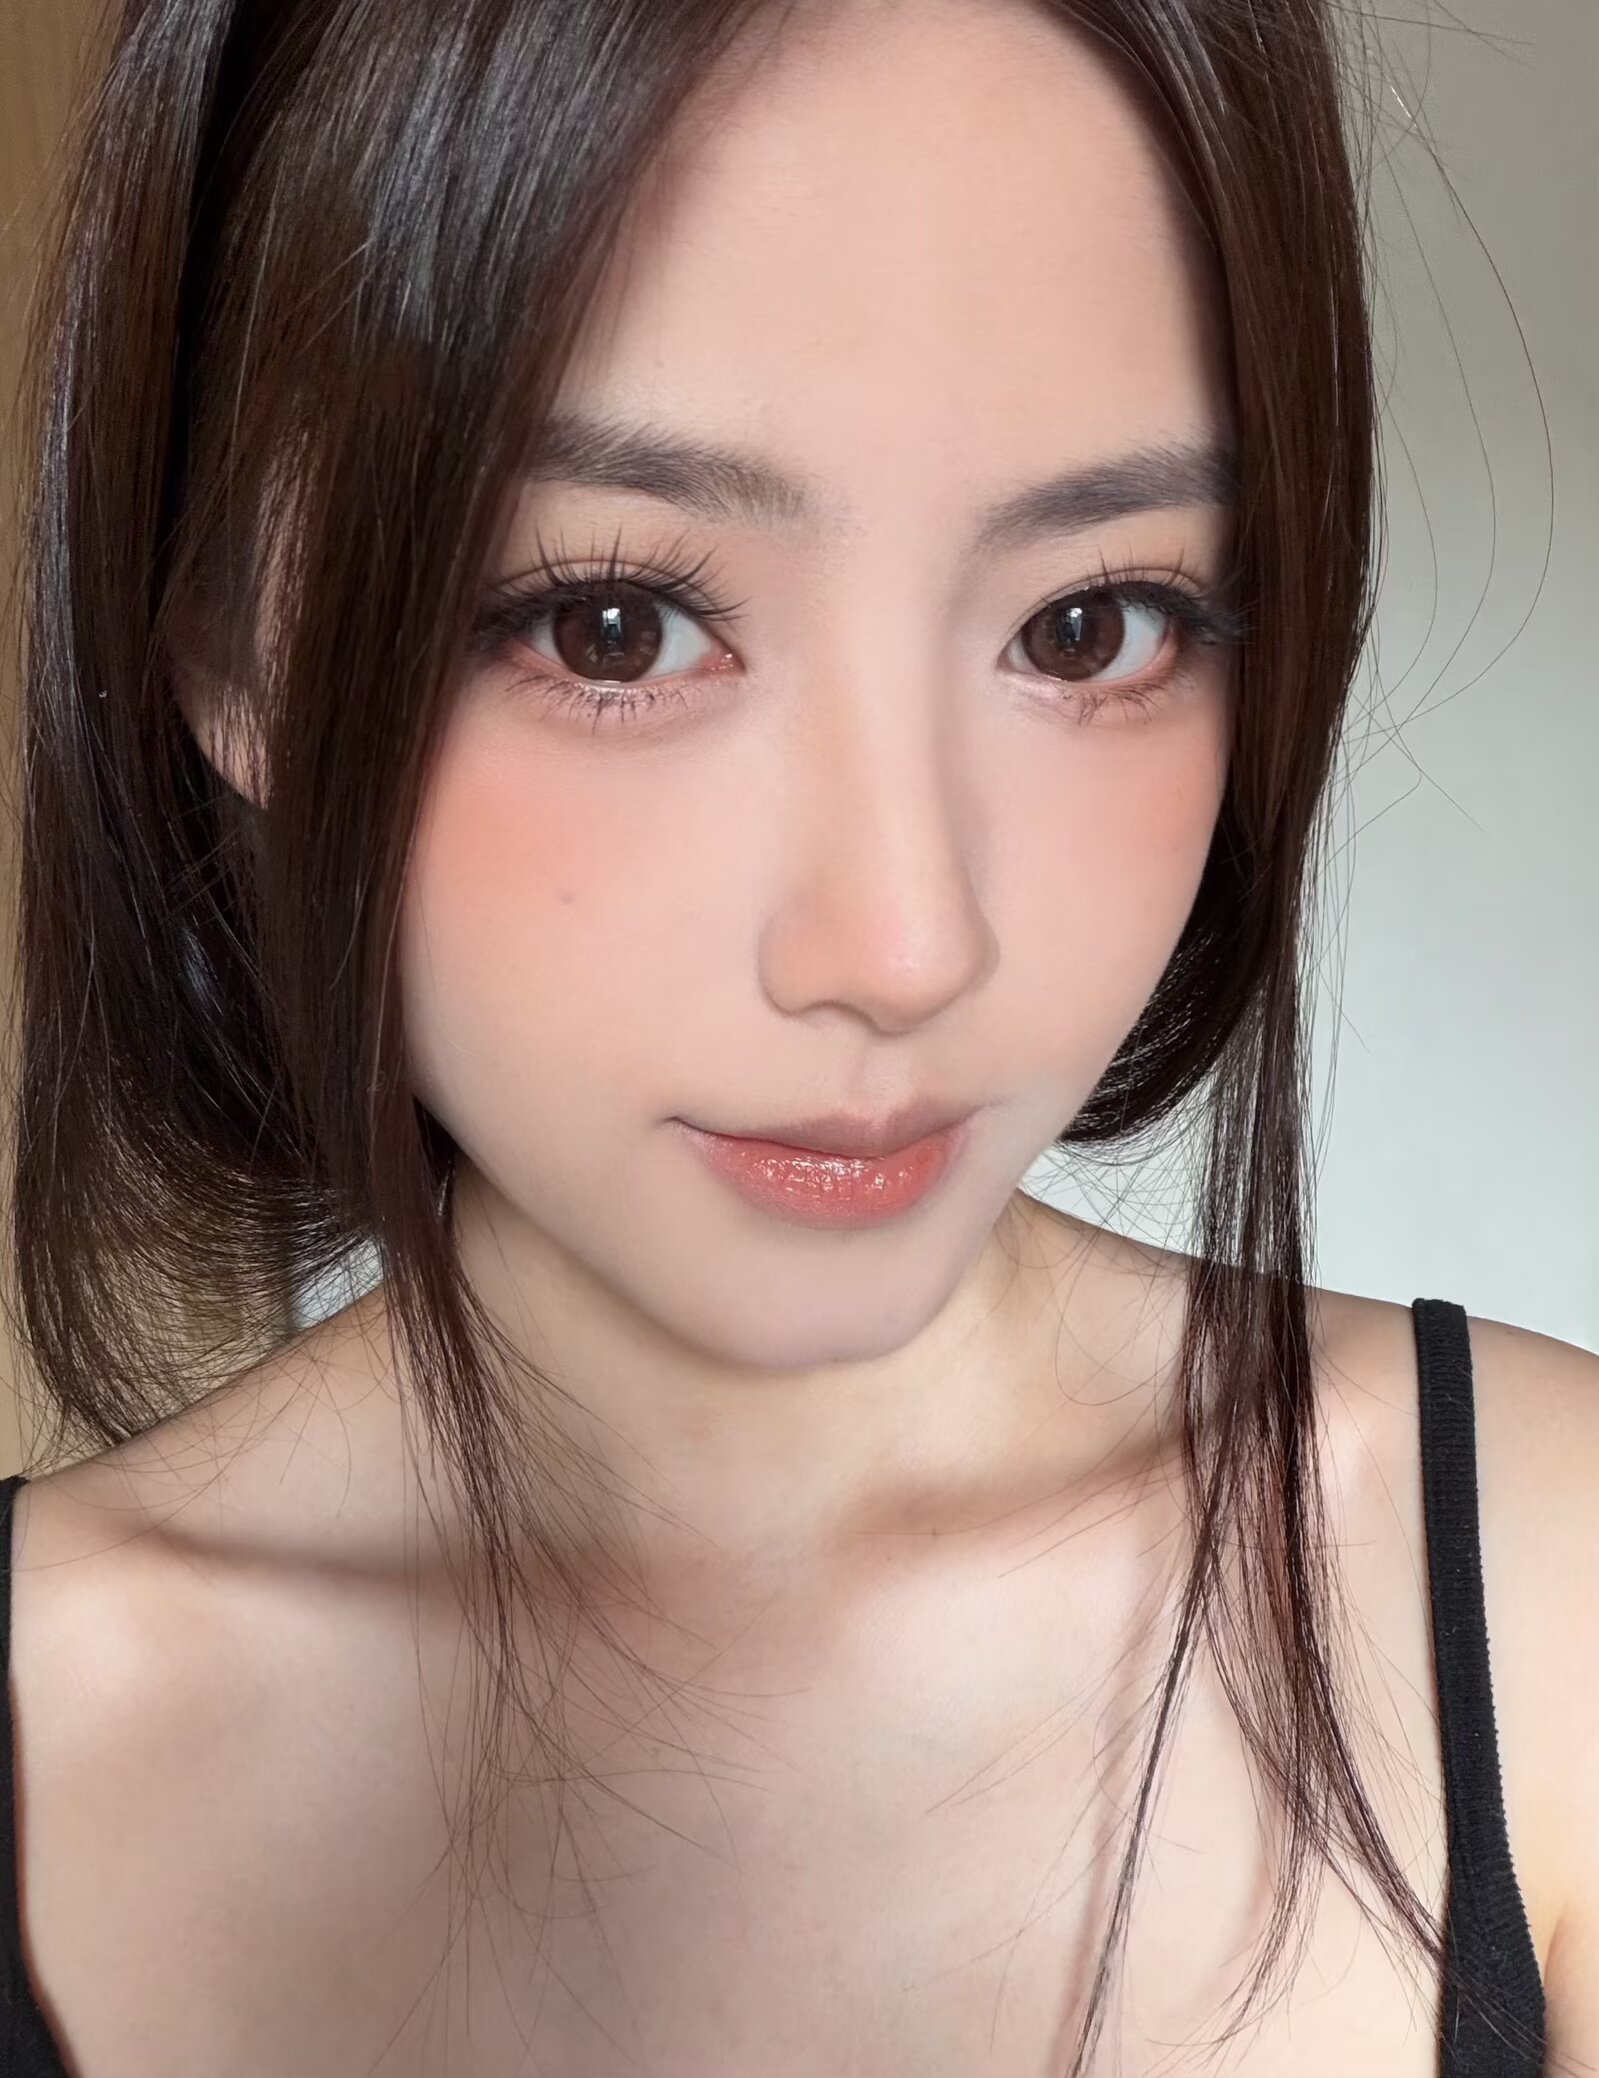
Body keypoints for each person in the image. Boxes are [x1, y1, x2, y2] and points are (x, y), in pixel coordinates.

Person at [0, 0, 1593, 2072]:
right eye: (616, 624)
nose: (906, 946)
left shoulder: (1546, 1588)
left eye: (1089, 625)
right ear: (239, 640)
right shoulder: (60, 1705)